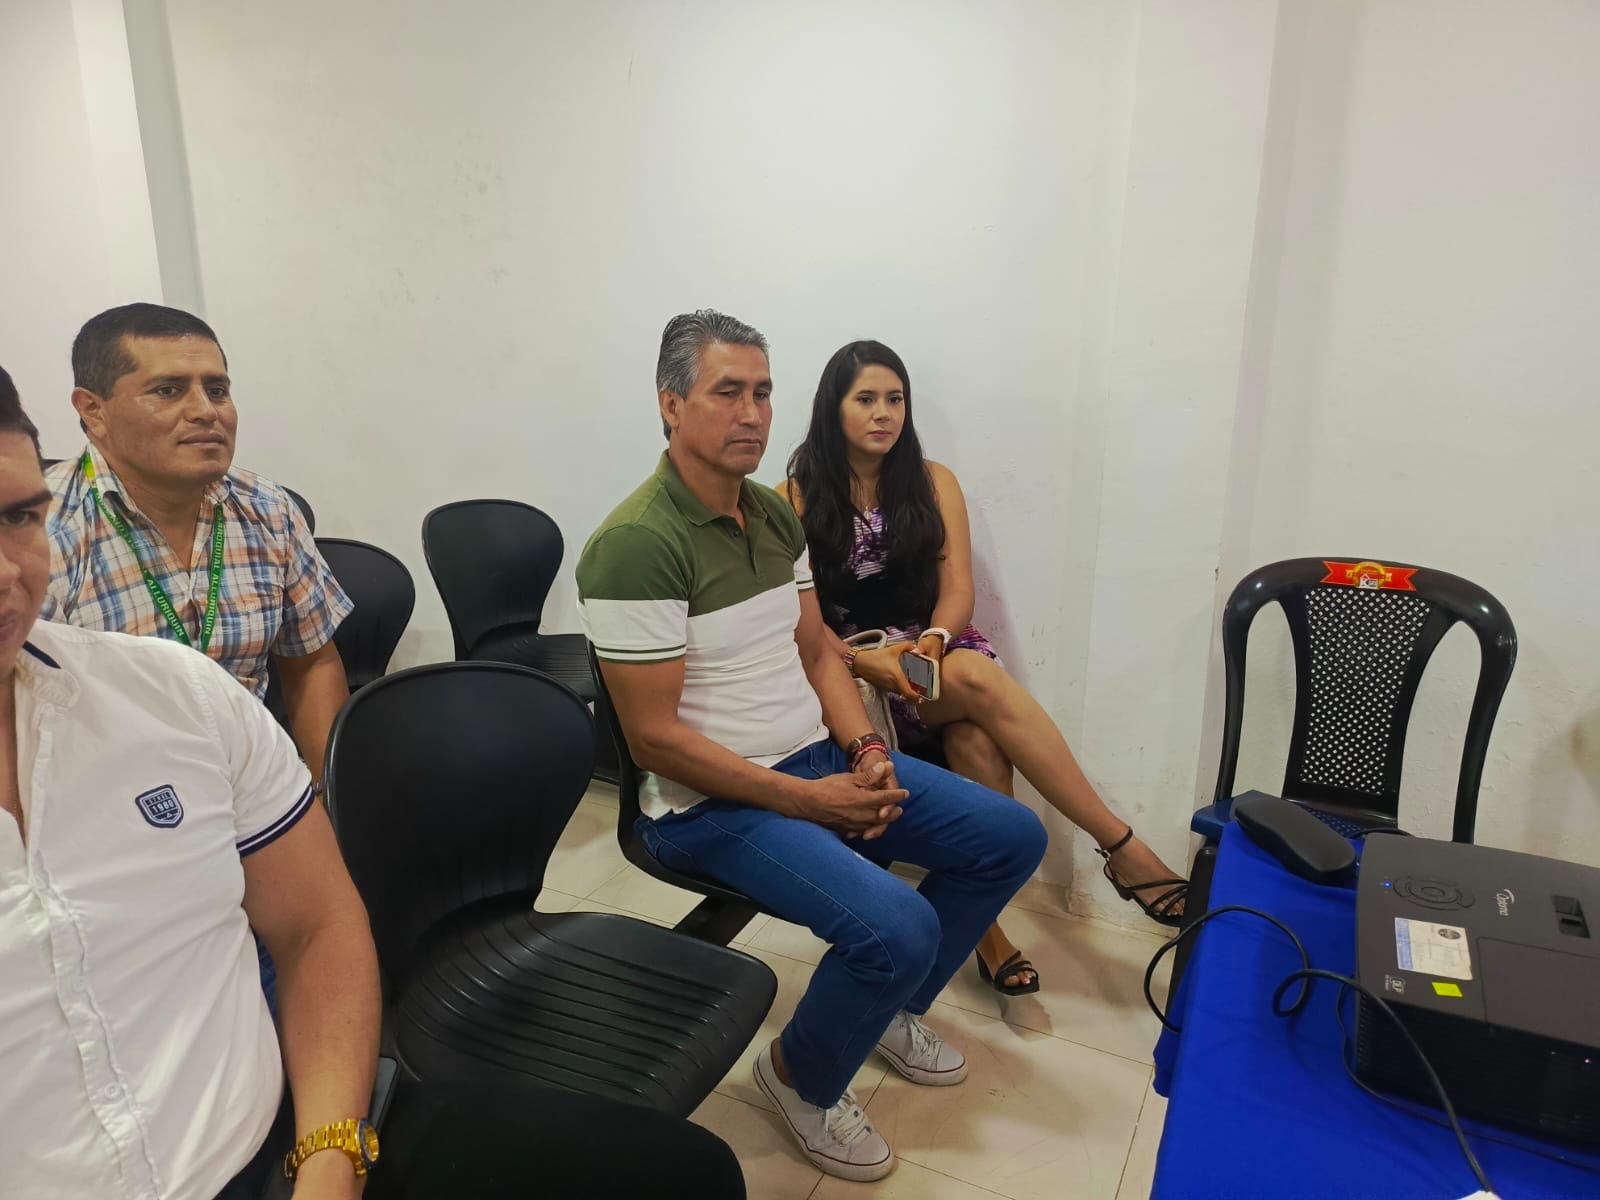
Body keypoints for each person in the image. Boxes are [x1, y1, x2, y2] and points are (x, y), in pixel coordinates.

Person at [0, 365, 746, 1200]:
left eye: (18, 517)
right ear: (91, 413)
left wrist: (331, 1154)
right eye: (169, 389)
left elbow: (317, 916)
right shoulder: (91, 539)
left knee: (688, 1174)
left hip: (271, 1126)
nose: (5, 569)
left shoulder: (180, 682)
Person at [578, 311, 1047, 1182]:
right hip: (704, 804)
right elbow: (654, 740)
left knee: (1011, 838)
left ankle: (887, 1011)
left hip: (814, 758)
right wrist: (807, 801)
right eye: (727, 392)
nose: (752, 412)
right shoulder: (634, 545)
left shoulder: (771, 512)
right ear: (671, 405)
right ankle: (798, 1076)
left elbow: (817, 651)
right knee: (900, 925)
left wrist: (865, 750)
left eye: (762, 392)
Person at [782, 340, 1190, 994]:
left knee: (975, 721)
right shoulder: (794, 499)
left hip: (932, 658)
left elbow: (958, 591)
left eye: (895, 399)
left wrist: (935, 641)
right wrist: (865, 659)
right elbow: (802, 624)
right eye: (866, 399)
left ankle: (991, 922)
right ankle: (1120, 849)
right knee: (975, 699)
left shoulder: (932, 481)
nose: (884, 413)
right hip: (855, 675)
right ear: (833, 408)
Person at [42, 303, 349, 779]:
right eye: (168, 390)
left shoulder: (268, 509)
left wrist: (329, 795)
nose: (206, 411)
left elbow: (312, 663)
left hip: (256, 781)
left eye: (217, 390)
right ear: (93, 410)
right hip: (109, 792)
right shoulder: (40, 532)